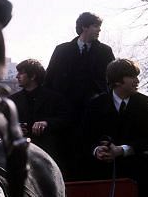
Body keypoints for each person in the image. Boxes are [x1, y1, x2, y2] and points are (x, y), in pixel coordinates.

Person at [45, 12, 115, 179]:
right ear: (84, 26)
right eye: (96, 26)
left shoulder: (105, 51)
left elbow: (113, 80)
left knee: (91, 150)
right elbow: (49, 80)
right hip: (65, 114)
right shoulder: (61, 50)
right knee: (66, 153)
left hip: (94, 113)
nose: (99, 30)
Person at [84, 58, 148, 197]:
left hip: (137, 166)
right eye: (132, 77)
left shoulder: (144, 103)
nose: (137, 81)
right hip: (104, 168)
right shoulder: (96, 104)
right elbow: (86, 137)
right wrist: (97, 150)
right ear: (117, 81)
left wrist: (122, 150)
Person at [9, 59, 69, 166]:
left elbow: (66, 120)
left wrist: (47, 123)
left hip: (48, 156)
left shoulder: (55, 98)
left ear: (33, 76)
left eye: (21, 73)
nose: (17, 76)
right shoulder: (12, 100)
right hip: (21, 156)